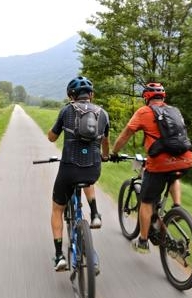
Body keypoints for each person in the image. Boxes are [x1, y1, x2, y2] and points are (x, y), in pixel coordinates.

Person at [111, 82, 192, 253]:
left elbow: (126, 133)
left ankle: (142, 241)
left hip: (159, 163)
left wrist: (114, 152)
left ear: (146, 98)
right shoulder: (174, 111)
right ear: (163, 97)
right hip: (185, 159)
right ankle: (177, 207)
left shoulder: (143, 112)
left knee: (147, 201)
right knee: (173, 175)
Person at [47, 76, 110, 271]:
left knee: (57, 209)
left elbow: (52, 137)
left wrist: (54, 133)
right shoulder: (103, 114)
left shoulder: (67, 110)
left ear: (70, 95)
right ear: (91, 95)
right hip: (93, 169)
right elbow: (105, 142)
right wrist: (105, 156)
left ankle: (59, 257)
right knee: (87, 176)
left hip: (69, 169)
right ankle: (94, 214)